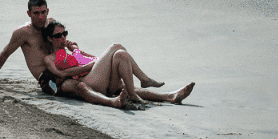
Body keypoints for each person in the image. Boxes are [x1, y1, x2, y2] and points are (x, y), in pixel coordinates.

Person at [0, 0, 127, 108]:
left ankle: (133, 94)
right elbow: (4, 55)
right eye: (36, 13)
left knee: (113, 84)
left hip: (63, 68)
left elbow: (64, 46)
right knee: (81, 87)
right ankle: (113, 103)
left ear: (48, 11)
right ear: (29, 13)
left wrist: (83, 55)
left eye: (43, 12)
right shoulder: (22, 33)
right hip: (48, 79)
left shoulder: (51, 24)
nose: (40, 17)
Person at [43, 20, 195, 105]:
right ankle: (144, 79)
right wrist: (91, 65)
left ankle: (170, 96)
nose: (62, 38)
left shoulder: (70, 51)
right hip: (89, 81)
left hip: (100, 78)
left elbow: (95, 58)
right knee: (116, 46)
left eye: (64, 34)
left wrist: (77, 50)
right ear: (50, 38)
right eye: (58, 36)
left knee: (121, 54)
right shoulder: (49, 58)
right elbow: (61, 73)